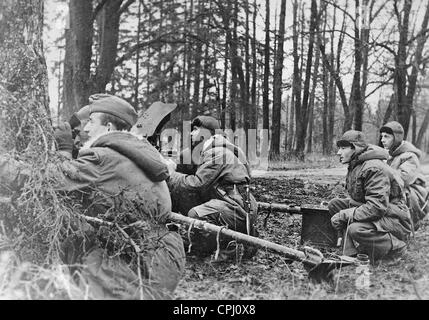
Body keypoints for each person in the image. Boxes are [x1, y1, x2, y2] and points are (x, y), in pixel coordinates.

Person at [0, 93, 186, 299]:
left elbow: (43, 181)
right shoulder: (139, 154)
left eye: (91, 121)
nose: (85, 128)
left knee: (76, 247)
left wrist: (62, 151)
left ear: (108, 128)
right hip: (166, 259)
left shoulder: (102, 158)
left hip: (138, 264)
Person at [164, 115, 259, 260]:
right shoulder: (224, 149)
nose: (190, 133)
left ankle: (226, 247)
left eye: (195, 130)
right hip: (239, 205)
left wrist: (172, 174)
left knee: (196, 214)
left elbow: (196, 184)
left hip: (236, 209)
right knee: (184, 194)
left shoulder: (217, 153)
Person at [328, 130, 412, 263]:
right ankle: (351, 251)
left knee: (356, 229)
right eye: (339, 148)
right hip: (382, 210)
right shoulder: (357, 163)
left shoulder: (373, 168)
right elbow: (360, 199)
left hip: (394, 217)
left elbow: (376, 207)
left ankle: (396, 248)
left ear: (355, 148)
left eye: (343, 148)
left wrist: (345, 214)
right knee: (335, 204)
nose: (339, 152)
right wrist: (345, 211)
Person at [379, 121, 429, 230]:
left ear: (396, 138)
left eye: (386, 136)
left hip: (412, 195)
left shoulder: (409, 156)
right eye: (382, 136)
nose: (382, 140)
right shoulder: (389, 155)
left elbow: (402, 180)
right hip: (396, 191)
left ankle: (404, 225)